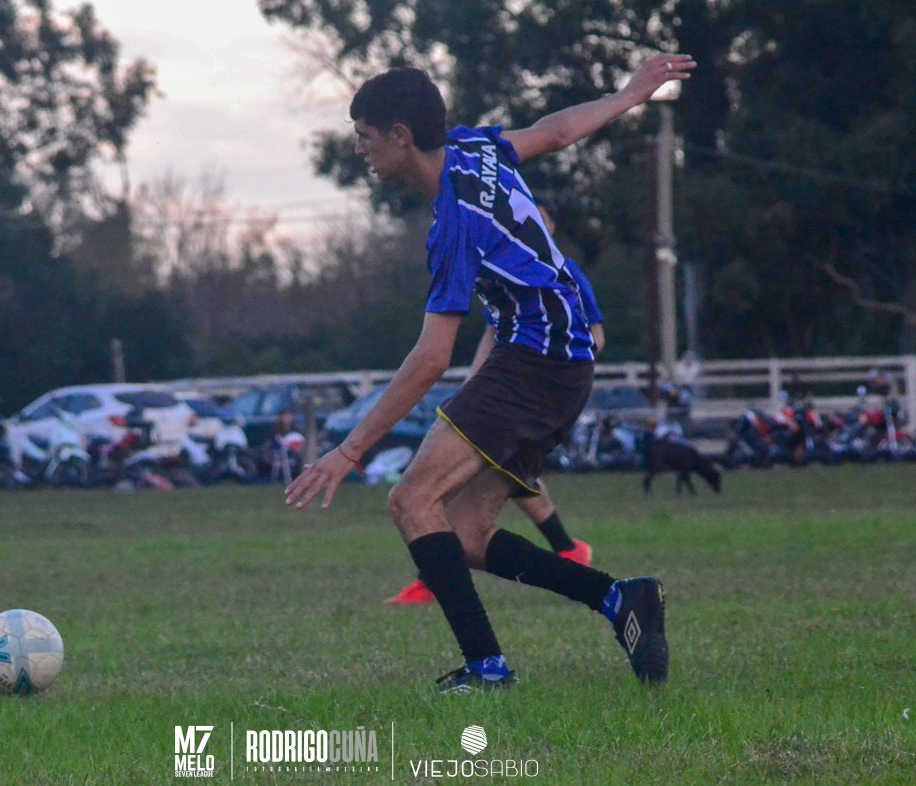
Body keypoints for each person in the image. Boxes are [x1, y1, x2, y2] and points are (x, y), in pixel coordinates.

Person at [286, 52, 695, 692]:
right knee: (468, 535)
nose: (359, 148)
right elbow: (554, 133)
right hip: (557, 360)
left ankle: (488, 669)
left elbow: (431, 358)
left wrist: (349, 451)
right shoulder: (473, 149)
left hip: (536, 362)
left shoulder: (455, 222)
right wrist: (628, 95)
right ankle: (620, 599)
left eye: (365, 136)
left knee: (411, 500)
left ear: (400, 136)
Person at [385, 254, 603, 605]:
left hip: (535, 389)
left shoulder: (559, 269)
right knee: (488, 487)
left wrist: (550, 374)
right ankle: (575, 557)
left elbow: (593, 337)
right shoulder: (499, 267)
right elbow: (493, 333)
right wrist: (473, 388)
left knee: (441, 493)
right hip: (503, 390)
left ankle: (432, 581)